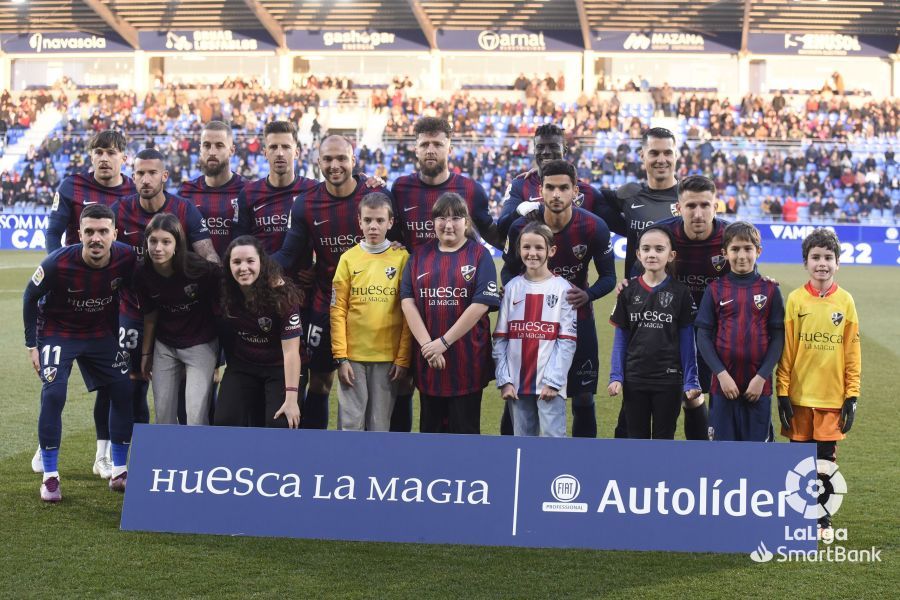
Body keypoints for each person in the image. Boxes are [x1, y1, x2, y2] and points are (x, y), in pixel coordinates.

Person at [273, 135, 390, 429]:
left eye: (341, 158)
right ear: (318, 162)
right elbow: (288, 254)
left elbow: (400, 242)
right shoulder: (306, 203)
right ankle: (317, 449)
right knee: (321, 380)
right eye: (328, 159)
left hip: (374, 303)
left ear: (353, 161)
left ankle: (383, 447)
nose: (335, 165)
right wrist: (250, 269)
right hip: (326, 302)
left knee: (387, 381)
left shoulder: (375, 194)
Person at [389, 116, 498, 432]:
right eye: (425, 144)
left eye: (437, 143)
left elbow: (492, 232)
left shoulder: (471, 190)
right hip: (419, 307)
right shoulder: (400, 188)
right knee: (410, 392)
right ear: (415, 148)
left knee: (465, 422)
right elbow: (389, 230)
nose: (431, 149)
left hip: (460, 319)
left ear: (449, 147)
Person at [37, 130, 136, 479]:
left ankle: (103, 454)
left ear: (123, 156)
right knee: (55, 385)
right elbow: (53, 232)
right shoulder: (71, 186)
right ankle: (45, 442)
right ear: (90, 156)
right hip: (69, 293)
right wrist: (61, 271)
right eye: (99, 152)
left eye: (111, 152)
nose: (104, 158)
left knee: (113, 380)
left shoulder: (133, 190)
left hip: (111, 299)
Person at [24, 204, 137, 501]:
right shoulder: (57, 262)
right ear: (79, 234)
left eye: (103, 231)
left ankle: (120, 471)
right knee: (54, 394)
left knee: (123, 389)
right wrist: (32, 345)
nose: (96, 238)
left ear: (115, 234)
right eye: (89, 232)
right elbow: (30, 296)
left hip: (99, 333)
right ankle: (50, 477)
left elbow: (136, 292)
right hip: (58, 331)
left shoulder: (127, 257)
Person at [502, 160, 616, 438]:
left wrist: (588, 294)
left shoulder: (594, 227)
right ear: (540, 190)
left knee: (583, 397)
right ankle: (511, 454)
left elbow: (609, 277)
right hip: (530, 323)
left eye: (564, 188)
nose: (556, 194)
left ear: (575, 191)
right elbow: (507, 270)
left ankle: (579, 457)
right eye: (550, 187)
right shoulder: (521, 227)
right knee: (519, 393)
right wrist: (513, 292)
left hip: (577, 318)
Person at [614, 175, 731, 440]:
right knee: (644, 392)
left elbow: (744, 277)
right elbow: (640, 278)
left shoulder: (728, 236)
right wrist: (627, 285)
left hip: (714, 331)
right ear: (679, 208)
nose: (698, 213)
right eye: (691, 206)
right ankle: (624, 455)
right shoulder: (663, 234)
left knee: (701, 393)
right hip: (668, 330)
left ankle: (702, 456)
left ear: (715, 206)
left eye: (705, 205)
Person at [112, 148, 217, 432]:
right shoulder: (120, 214)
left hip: (195, 333)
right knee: (130, 385)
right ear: (132, 176)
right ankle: (117, 449)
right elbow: (149, 314)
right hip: (144, 319)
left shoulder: (185, 213)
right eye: (140, 173)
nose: (146, 179)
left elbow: (210, 260)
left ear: (165, 176)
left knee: (195, 412)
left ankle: (199, 456)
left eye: (152, 173)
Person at [776, 228, 860, 532]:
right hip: (799, 398)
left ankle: (823, 519)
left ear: (838, 263)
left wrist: (852, 395)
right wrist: (782, 391)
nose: (822, 263)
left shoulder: (846, 301)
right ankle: (800, 515)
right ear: (805, 262)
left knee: (825, 462)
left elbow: (852, 351)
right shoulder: (795, 300)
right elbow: (787, 350)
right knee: (800, 461)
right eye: (816, 257)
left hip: (831, 399)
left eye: (828, 257)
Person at [400, 192, 500, 434]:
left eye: (455, 218)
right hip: (429, 362)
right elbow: (408, 302)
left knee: (464, 436)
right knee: (430, 435)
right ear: (433, 222)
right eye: (442, 218)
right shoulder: (419, 256)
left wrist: (442, 343)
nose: (448, 224)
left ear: (466, 222)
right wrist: (429, 347)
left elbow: (480, 305)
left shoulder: (479, 255)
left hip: (467, 363)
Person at [607, 226, 701, 439]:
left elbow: (688, 341)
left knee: (664, 438)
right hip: (635, 378)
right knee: (636, 438)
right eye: (646, 249)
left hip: (669, 380)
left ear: (671, 255)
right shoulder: (628, 291)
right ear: (638, 254)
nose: (652, 254)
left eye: (659, 249)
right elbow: (621, 338)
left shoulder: (681, 292)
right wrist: (616, 376)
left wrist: (691, 380)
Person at [695, 222, 785, 441]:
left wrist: (761, 377)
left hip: (758, 387)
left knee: (757, 453)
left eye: (748, 248)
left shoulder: (770, 289)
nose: (742, 255)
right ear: (725, 253)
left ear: (758, 251)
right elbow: (703, 336)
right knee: (722, 452)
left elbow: (778, 337)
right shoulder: (715, 289)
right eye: (735, 249)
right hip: (723, 386)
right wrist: (721, 374)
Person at [330, 193, 412, 431]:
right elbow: (337, 310)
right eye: (367, 220)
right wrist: (341, 357)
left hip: (387, 358)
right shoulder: (348, 259)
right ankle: (347, 459)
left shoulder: (402, 258)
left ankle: (376, 458)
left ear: (390, 222)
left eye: (379, 220)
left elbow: (409, 315)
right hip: (353, 358)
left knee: (379, 426)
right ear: (359, 221)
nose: (373, 226)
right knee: (350, 425)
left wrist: (403, 358)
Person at [134, 213, 221, 425]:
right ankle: (167, 449)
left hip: (201, 343)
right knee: (163, 414)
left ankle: (199, 449)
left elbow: (222, 304)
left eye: (166, 242)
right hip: (165, 345)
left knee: (195, 415)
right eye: (153, 241)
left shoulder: (198, 268)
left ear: (177, 244)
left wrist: (220, 359)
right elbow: (150, 315)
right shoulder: (142, 271)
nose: (158, 248)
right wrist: (146, 353)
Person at [493, 222, 577, 437]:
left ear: (551, 250)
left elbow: (567, 341)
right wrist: (504, 380)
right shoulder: (511, 288)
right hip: (516, 386)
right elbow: (500, 339)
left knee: (552, 441)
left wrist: (554, 382)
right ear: (519, 249)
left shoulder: (563, 289)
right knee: (523, 444)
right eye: (526, 247)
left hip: (549, 386)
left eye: (539, 247)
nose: (532, 253)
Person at [216, 236, 303, 429]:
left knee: (281, 424)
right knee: (224, 422)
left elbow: (291, 352)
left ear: (261, 263)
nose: (243, 268)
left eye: (250, 261)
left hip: (278, 366)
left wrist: (291, 399)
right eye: (236, 262)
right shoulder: (224, 290)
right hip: (243, 365)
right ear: (228, 265)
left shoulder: (282, 296)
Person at [497, 123, 621, 243]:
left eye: (553, 146)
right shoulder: (519, 185)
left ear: (564, 150)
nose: (546, 151)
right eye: (540, 147)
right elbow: (501, 230)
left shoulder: (586, 192)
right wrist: (518, 211)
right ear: (534, 151)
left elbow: (621, 226)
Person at [596, 127, 681, 279]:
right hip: (634, 291)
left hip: (677, 292)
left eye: (667, 153)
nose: (662, 160)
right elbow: (591, 198)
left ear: (676, 155)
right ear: (642, 155)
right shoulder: (629, 193)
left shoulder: (690, 199)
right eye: (654, 153)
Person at [178, 120, 247, 258]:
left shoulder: (247, 191)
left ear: (232, 150)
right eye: (207, 145)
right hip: (196, 271)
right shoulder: (186, 192)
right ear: (200, 149)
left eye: (219, 145)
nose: (212, 152)